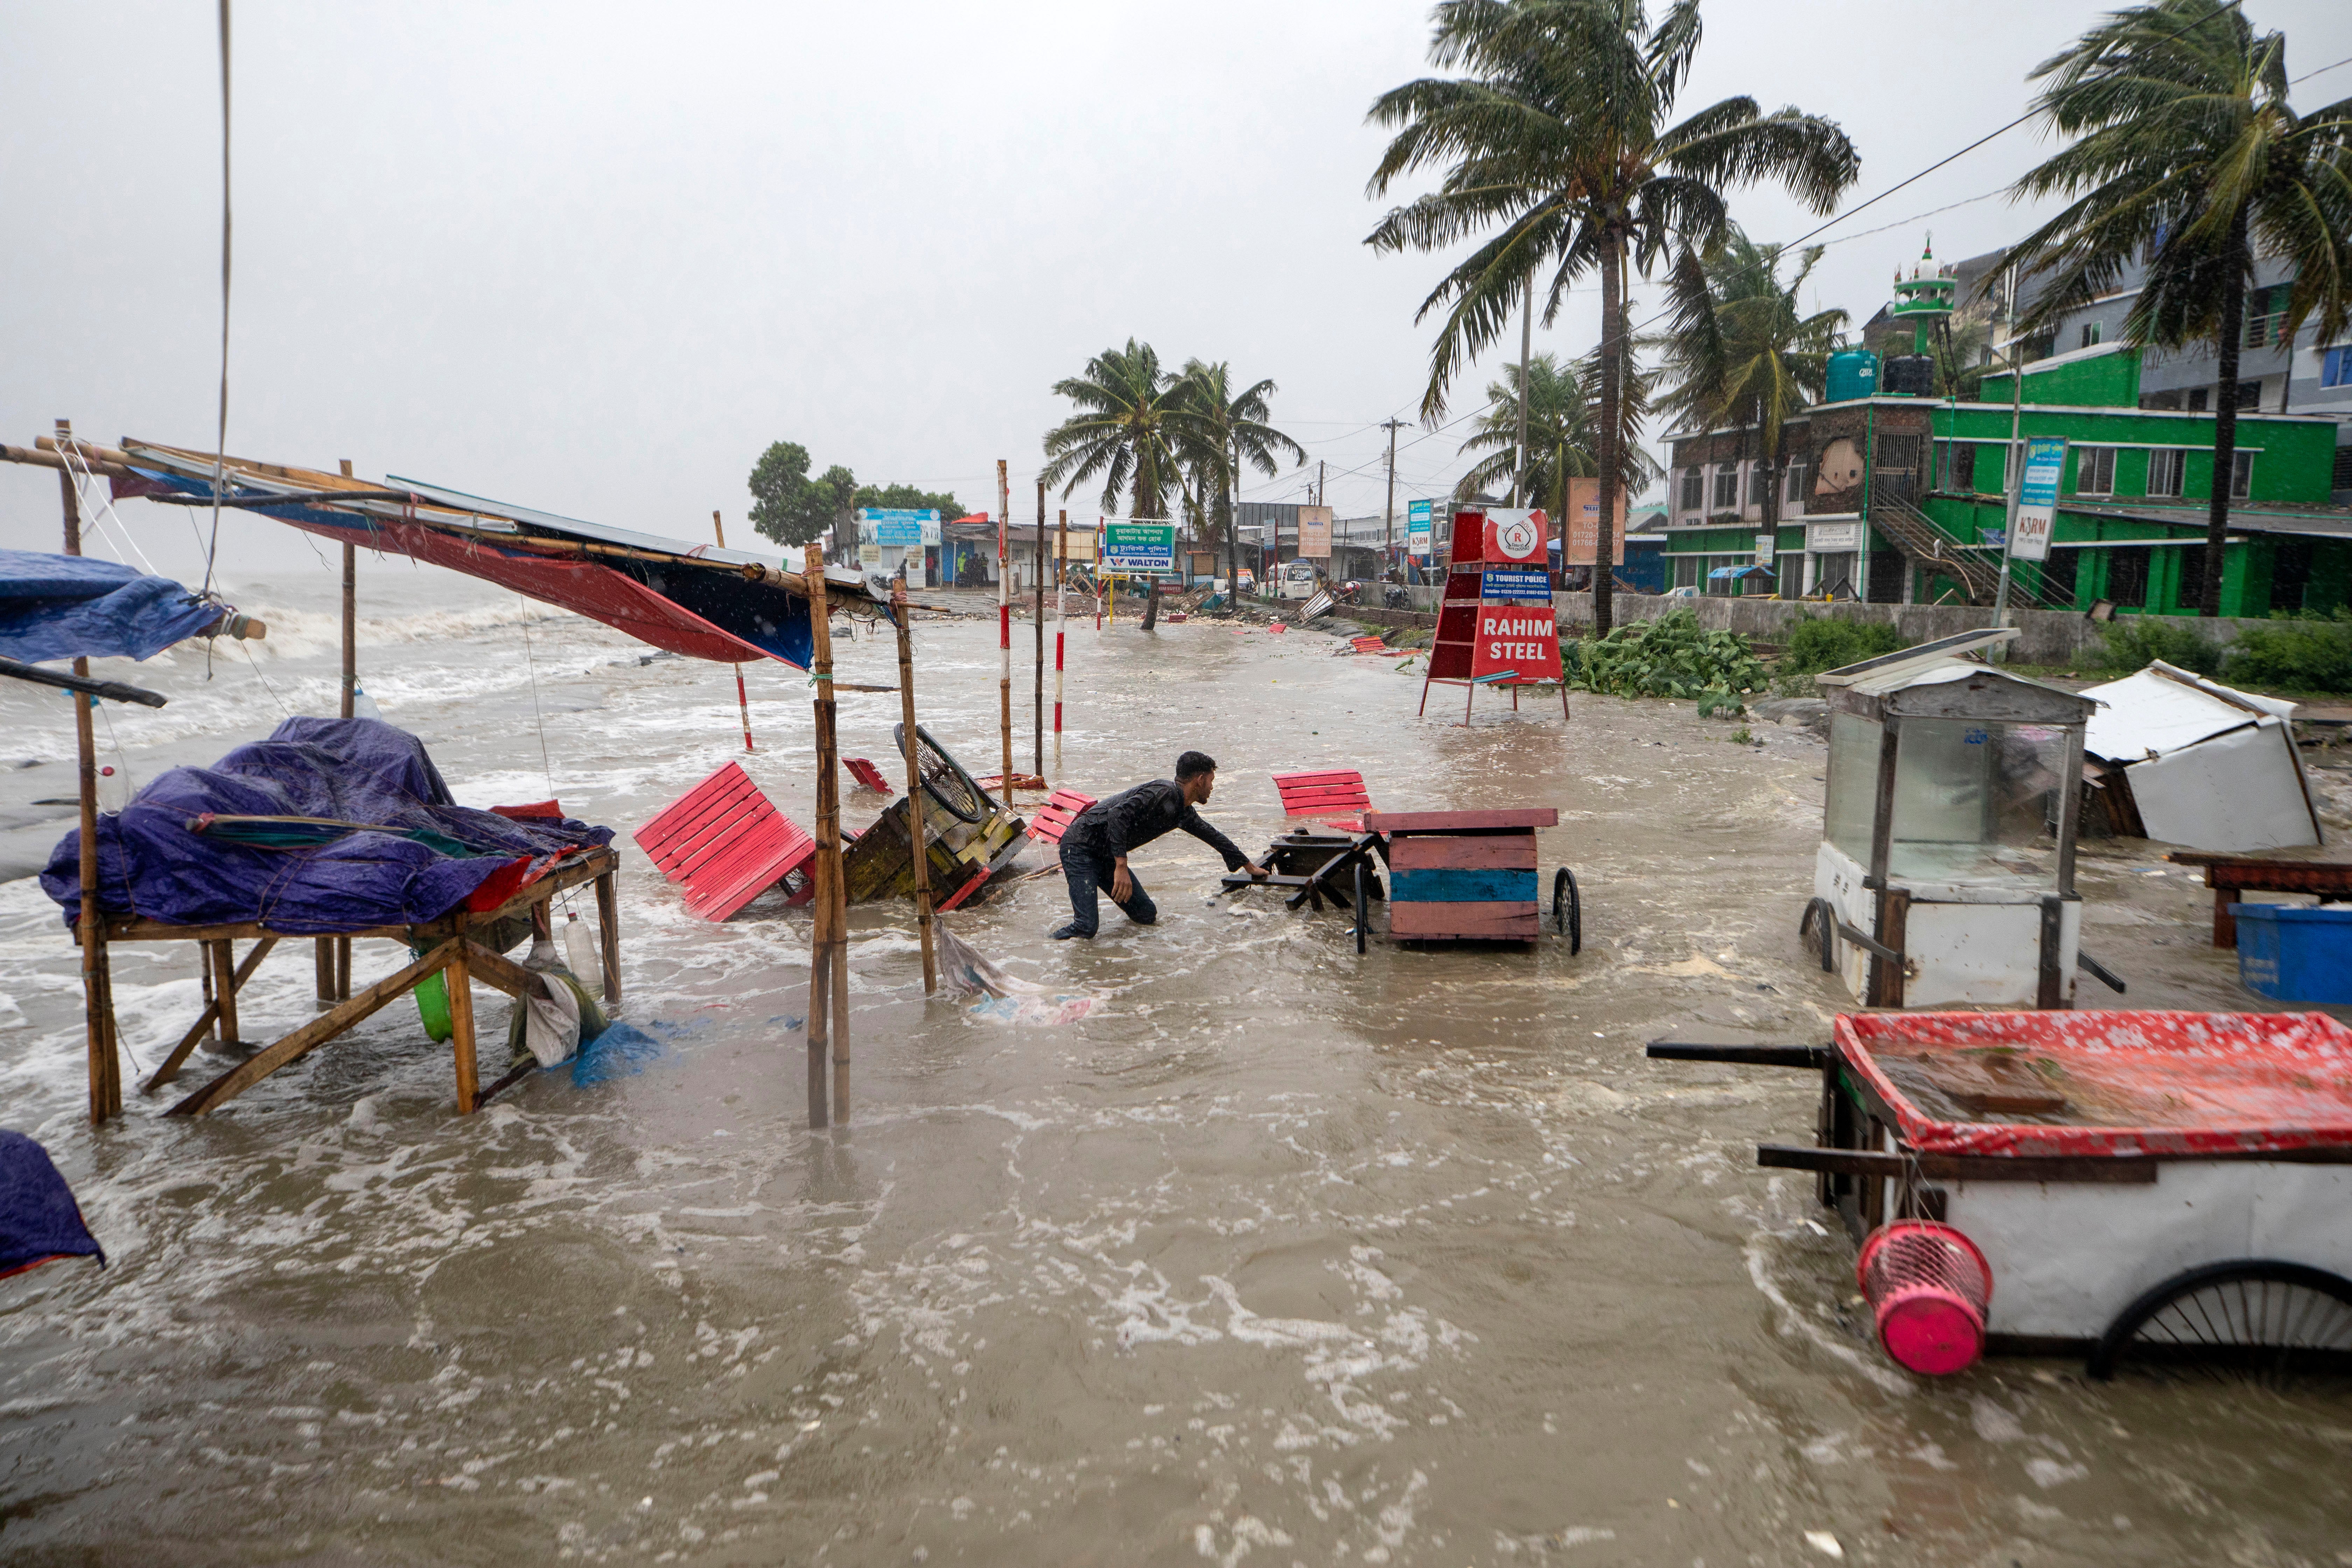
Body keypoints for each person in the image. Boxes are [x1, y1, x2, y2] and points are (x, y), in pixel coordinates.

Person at [1050, 751, 1266, 940]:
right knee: (1086, 928)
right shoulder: (1162, 792)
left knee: (1146, 915)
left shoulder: (1183, 813)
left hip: (1107, 854)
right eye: (1211, 781)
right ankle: (1046, 945)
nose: (1212, 787)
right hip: (1080, 847)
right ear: (1200, 780)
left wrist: (1250, 868)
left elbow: (1215, 838)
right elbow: (1117, 815)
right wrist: (1122, 867)